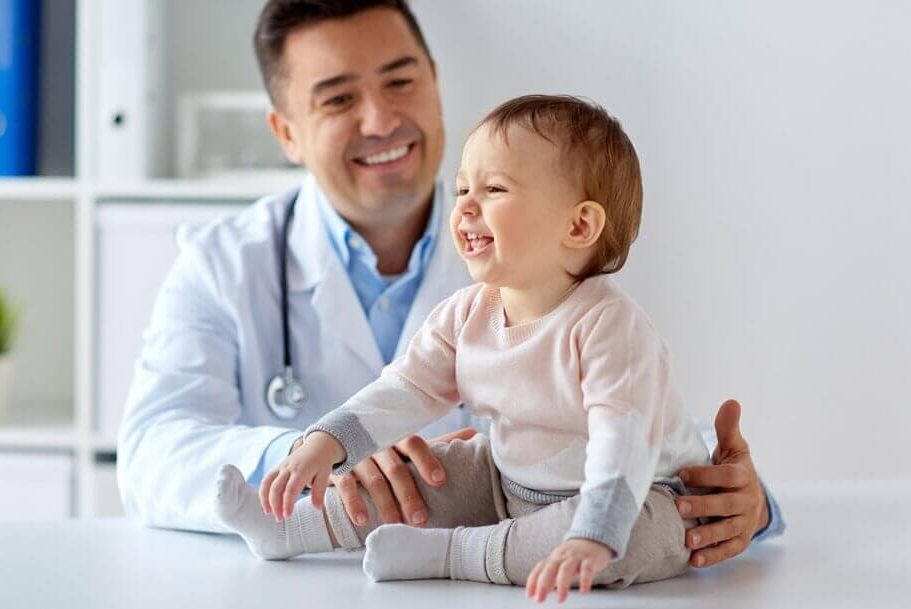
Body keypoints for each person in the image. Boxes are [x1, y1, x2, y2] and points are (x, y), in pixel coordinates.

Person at [117, 0, 784, 571]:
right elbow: (151, 451)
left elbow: (625, 416)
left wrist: (741, 499)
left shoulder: (541, 250)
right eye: (338, 98)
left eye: (399, 81)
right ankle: (290, 531)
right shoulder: (221, 262)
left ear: (435, 83)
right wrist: (302, 452)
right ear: (286, 131)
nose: (380, 120)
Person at [215, 94, 716, 602]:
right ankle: (286, 531)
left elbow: (622, 441)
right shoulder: (467, 312)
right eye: (461, 189)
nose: (465, 207)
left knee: (626, 540)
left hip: (636, 495)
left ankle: (451, 554)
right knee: (426, 476)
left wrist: (592, 535)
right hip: (508, 481)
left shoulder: (610, 325)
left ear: (579, 226)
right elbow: (405, 389)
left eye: (494, 188)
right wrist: (326, 442)